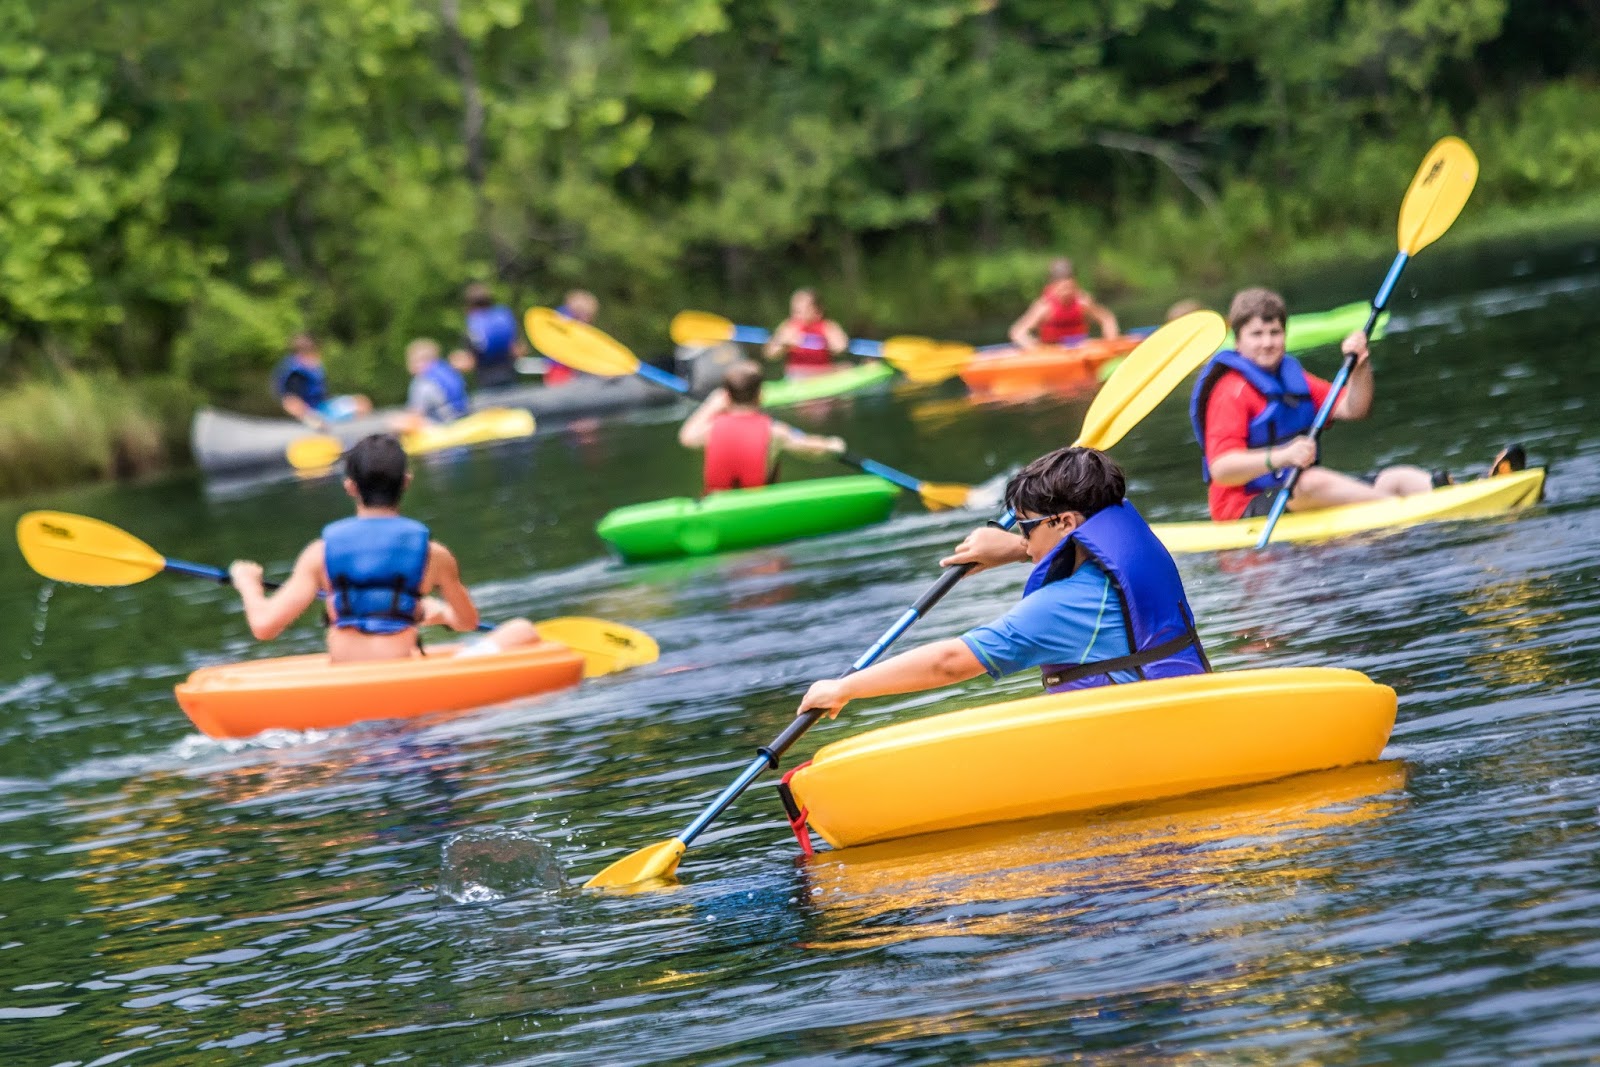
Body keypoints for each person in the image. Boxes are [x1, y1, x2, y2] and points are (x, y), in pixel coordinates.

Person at [797, 447, 1208, 718]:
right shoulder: (1133, 538)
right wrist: (1018, 547)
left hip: (1139, 738)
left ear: (1065, 521)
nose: (1024, 537)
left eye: (1026, 527)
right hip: (1184, 711)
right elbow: (1077, 542)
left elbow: (949, 663)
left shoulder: (1065, 608)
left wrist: (844, 688)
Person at [227, 434, 541, 663]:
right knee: (522, 630)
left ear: (350, 487)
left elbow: (264, 626)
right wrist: (436, 613)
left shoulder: (320, 553)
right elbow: (467, 623)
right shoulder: (434, 554)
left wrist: (248, 584)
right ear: (406, 482)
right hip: (402, 678)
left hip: (348, 681)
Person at [1189, 287, 1435, 522]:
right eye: (1257, 334)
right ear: (1238, 342)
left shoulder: (1292, 378)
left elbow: (1355, 408)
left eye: (1275, 333)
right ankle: (1402, 513)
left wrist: (1360, 367)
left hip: (1297, 491)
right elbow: (1221, 468)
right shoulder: (1230, 391)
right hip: (1242, 508)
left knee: (1398, 478)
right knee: (1310, 481)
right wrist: (1284, 456)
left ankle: (1453, 491)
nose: (1267, 342)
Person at [678, 360, 847, 493]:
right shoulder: (774, 431)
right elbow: (811, 448)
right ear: (760, 395)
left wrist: (712, 404)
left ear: (726, 397)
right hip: (757, 507)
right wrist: (833, 444)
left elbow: (686, 436)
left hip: (716, 506)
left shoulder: (710, 429)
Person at [1009, 258, 1120, 348]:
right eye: (1063, 288)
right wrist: (1034, 348)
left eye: (1070, 288)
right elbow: (1018, 332)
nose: (1067, 293)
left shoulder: (1083, 302)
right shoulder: (1044, 307)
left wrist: (1111, 343)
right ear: (1053, 286)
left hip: (1080, 348)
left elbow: (1107, 319)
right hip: (1052, 350)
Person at [273, 333, 373, 428]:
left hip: (323, 406)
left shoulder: (311, 367)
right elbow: (290, 401)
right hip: (314, 413)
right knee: (360, 407)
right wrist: (310, 418)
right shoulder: (295, 374)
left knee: (362, 401)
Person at [453, 283, 526, 389]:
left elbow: (471, 363)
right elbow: (519, 351)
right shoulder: (504, 320)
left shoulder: (472, 329)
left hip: (487, 383)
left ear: (469, 305)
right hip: (510, 378)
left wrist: (455, 363)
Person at [762, 289, 850, 378]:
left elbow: (841, 347)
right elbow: (770, 353)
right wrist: (784, 344)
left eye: (802, 310)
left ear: (817, 310)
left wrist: (828, 343)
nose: (797, 314)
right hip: (798, 374)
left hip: (823, 374)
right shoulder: (789, 327)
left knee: (846, 368)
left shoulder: (827, 326)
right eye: (795, 310)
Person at [398, 338, 471, 431]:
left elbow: (415, 416)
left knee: (395, 422)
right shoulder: (449, 371)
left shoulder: (421, 382)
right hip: (464, 421)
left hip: (443, 429)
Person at [545, 289, 600, 388]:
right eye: (584, 316)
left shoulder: (565, 319)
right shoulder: (562, 319)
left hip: (573, 369)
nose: (586, 320)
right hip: (560, 368)